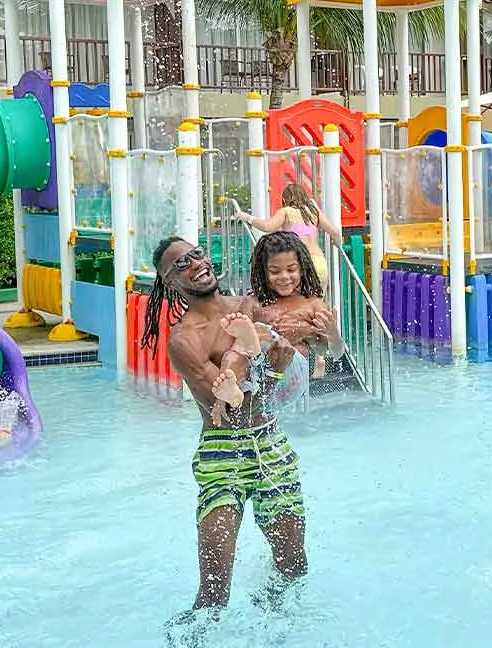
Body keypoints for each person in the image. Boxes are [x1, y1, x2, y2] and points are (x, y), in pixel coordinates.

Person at [140, 236, 308, 616]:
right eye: (180, 264)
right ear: (169, 282)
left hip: (270, 445)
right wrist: (269, 366)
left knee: (293, 567)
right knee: (214, 591)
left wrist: (279, 361)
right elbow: (229, 413)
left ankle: (276, 631)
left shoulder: (249, 305)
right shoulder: (184, 340)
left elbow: (285, 373)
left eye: (196, 254)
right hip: (222, 455)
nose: (195, 263)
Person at [250, 231, 346, 381]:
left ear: (302, 268)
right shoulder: (254, 303)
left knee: (300, 349)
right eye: (274, 271)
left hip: (293, 390)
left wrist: (330, 332)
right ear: (263, 271)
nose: (284, 277)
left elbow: (335, 353)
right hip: (260, 385)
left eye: (291, 269)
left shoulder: (312, 305)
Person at [234, 183, 342, 288]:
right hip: (320, 263)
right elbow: (335, 231)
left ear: (285, 199)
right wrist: (336, 242)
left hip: (302, 263)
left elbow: (267, 227)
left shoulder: (286, 212)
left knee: (296, 304)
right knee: (316, 303)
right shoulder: (313, 212)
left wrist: (248, 218)